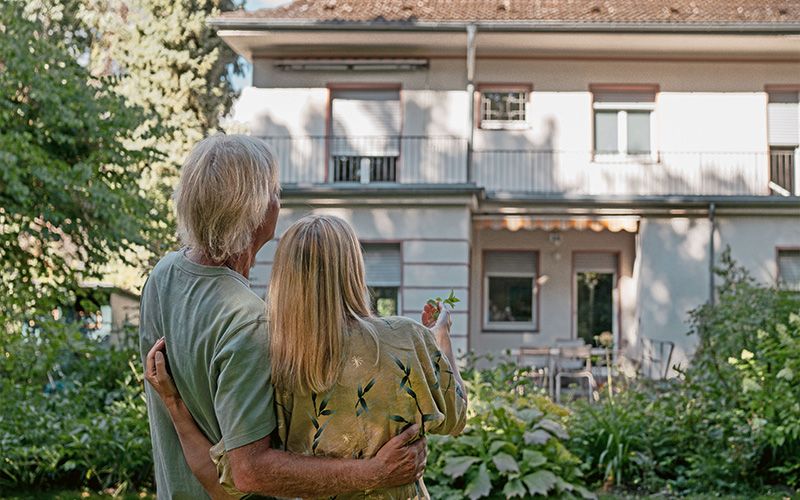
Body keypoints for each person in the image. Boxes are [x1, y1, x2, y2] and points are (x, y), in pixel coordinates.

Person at [139, 135, 428, 499]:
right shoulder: (248, 323)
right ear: (256, 211)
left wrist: (174, 404)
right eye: (274, 192)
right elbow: (249, 470)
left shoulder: (163, 276)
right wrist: (373, 472)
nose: (279, 201)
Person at [145, 214, 468, 499]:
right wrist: (441, 339)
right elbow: (456, 417)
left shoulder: (275, 359)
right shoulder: (406, 339)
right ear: (352, 269)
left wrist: (174, 403)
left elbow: (230, 477)